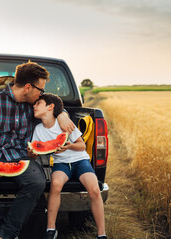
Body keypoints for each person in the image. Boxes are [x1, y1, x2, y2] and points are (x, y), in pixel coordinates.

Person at [0, 61, 75, 239]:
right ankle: (6, 231)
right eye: (40, 89)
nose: (42, 94)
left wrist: (62, 114)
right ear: (27, 87)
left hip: (21, 156)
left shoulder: (35, 104)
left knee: (36, 183)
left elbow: (53, 106)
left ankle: (5, 235)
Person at [30, 94, 107, 239]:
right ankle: (51, 229)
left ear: (50, 107)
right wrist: (32, 152)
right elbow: (36, 151)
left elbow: (82, 145)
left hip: (80, 161)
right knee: (56, 184)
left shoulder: (65, 124)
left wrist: (69, 146)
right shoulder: (38, 129)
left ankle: (101, 233)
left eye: (38, 103)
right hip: (61, 164)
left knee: (95, 189)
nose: (34, 106)